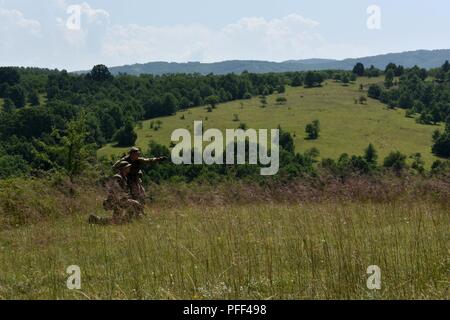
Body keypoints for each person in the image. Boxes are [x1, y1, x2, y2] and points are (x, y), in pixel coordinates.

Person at [89, 161, 144, 225]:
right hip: (116, 201)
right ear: (124, 168)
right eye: (128, 167)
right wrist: (124, 196)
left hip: (119, 200)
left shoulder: (124, 177)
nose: (129, 168)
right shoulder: (118, 177)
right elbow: (114, 189)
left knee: (115, 221)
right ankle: (127, 221)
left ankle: (96, 219)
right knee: (135, 204)